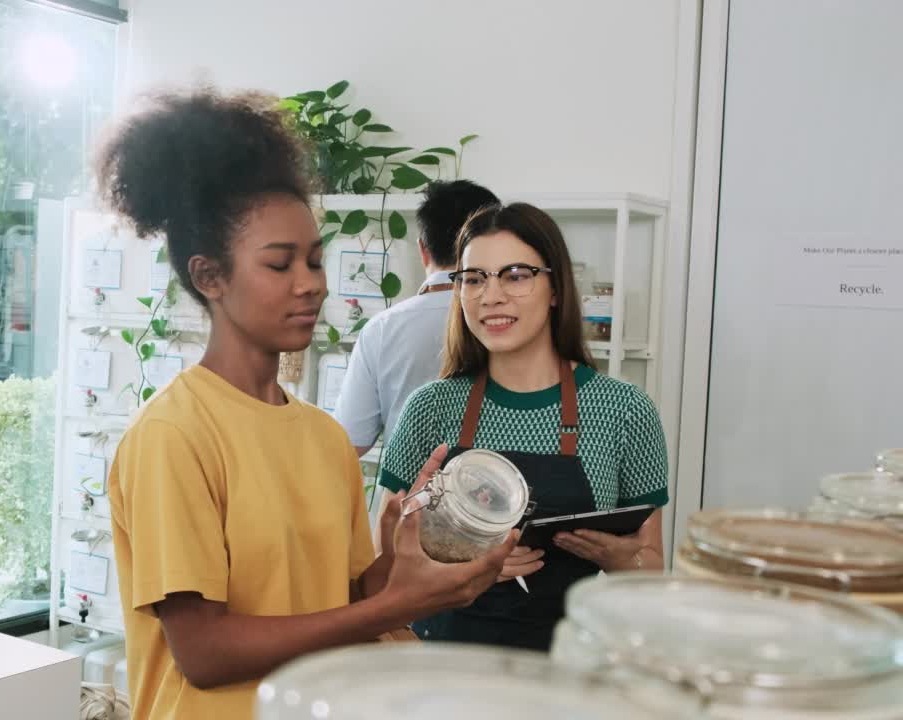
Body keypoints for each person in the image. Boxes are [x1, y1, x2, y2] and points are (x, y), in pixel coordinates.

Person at [96, 90, 516, 720]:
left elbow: (340, 597)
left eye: (316, 260)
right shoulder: (174, 435)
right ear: (210, 277)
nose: (310, 283)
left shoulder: (322, 437)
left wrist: (411, 563)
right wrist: (392, 607)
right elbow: (204, 652)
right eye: (279, 264)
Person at [378, 202, 669, 652]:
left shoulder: (624, 410)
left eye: (515, 275)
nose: (490, 296)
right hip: (441, 668)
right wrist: (461, 557)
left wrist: (613, 554)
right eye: (474, 279)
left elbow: (650, 572)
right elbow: (385, 562)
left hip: (567, 670)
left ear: (556, 288)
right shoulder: (430, 408)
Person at [334, 180, 500, 457]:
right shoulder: (510, 320)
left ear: (423, 249)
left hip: (405, 495)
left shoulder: (382, 329)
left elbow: (350, 442)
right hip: (504, 492)